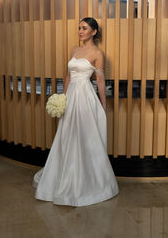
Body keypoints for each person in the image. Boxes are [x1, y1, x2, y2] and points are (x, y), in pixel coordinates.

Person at [33, 17, 119, 206]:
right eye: (79, 28)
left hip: (85, 97)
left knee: (84, 137)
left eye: (84, 28)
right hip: (71, 96)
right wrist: (63, 98)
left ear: (94, 32)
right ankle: (63, 174)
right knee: (66, 135)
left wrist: (103, 107)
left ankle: (86, 181)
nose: (80, 31)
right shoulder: (74, 50)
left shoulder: (97, 53)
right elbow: (68, 75)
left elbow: (100, 82)